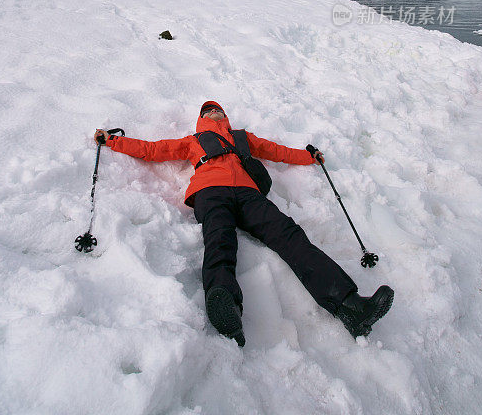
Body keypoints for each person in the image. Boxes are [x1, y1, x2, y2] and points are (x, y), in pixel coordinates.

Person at [95, 101, 394, 346]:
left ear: (225, 115)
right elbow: (152, 149)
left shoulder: (242, 138)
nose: (214, 112)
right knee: (219, 239)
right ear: (201, 118)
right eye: (208, 110)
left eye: (218, 110)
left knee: (291, 236)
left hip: (249, 195)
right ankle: (224, 304)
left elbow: (278, 151)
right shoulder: (193, 141)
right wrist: (112, 141)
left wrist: (309, 157)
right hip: (211, 193)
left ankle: (350, 306)